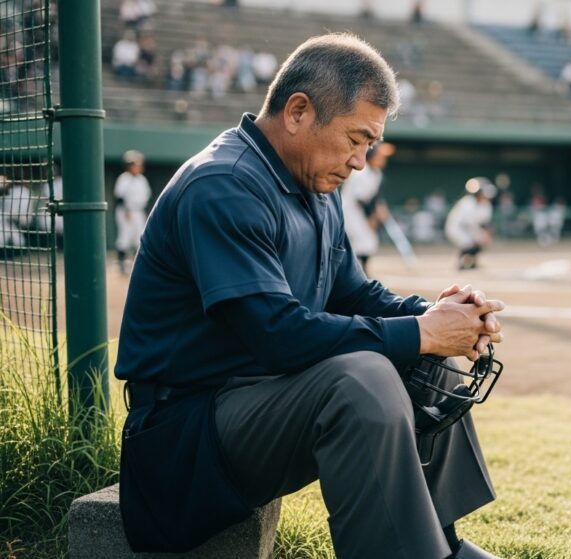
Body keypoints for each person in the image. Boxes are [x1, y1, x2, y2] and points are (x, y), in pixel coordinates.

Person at [114, 34, 505, 559]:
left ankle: (442, 544)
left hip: (255, 408)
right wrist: (421, 333)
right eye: (355, 138)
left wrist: (437, 317)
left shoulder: (312, 186)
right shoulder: (223, 184)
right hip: (183, 443)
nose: (361, 161)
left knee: (428, 363)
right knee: (361, 377)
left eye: (369, 144)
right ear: (298, 111)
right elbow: (277, 335)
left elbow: (354, 292)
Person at [341, 141, 395, 272]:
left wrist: (380, 208)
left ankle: (361, 270)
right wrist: (371, 217)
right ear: (371, 155)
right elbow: (361, 200)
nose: (383, 159)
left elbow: (375, 197)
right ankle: (357, 271)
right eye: (379, 156)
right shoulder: (362, 173)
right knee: (361, 241)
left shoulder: (376, 173)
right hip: (351, 211)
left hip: (360, 211)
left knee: (368, 241)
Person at [113, 149, 151, 275]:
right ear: (129, 165)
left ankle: (137, 266)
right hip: (126, 211)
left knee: (139, 239)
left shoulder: (142, 180)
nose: (138, 166)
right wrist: (127, 211)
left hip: (138, 211)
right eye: (135, 164)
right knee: (124, 238)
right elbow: (119, 197)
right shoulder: (124, 178)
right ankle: (122, 266)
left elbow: (146, 197)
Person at [446, 177, 496, 270]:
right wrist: (479, 235)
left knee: (482, 240)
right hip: (457, 229)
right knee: (470, 243)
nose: (486, 197)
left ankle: (472, 262)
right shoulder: (467, 203)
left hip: (470, 229)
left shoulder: (486, 205)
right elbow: (467, 224)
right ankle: (462, 262)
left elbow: (484, 223)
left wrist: (488, 234)